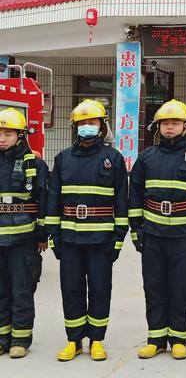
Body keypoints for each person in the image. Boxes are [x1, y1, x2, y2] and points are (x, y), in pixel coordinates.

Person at [129, 99, 186, 360]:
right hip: (153, 234)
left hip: (184, 237)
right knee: (154, 286)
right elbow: (135, 195)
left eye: (175, 123)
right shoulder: (146, 157)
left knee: (181, 288)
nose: (170, 128)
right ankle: (156, 338)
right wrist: (136, 229)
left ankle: (178, 338)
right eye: (165, 123)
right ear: (158, 127)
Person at [45, 99, 128, 362]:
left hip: (101, 239)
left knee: (101, 289)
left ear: (102, 126)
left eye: (92, 122)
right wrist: (54, 235)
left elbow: (121, 200)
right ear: (75, 127)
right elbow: (53, 198)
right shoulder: (63, 159)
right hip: (69, 239)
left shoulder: (113, 158)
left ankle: (97, 341)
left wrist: (118, 238)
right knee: (71, 289)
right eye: (82, 123)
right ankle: (74, 340)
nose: (87, 127)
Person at [0, 108, 49, 359]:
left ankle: (20, 338)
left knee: (21, 289)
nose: (2, 138)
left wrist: (42, 235)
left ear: (20, 135)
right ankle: (2, 337)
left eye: (8, 133)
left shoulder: (34, 164)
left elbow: (43, 199)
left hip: (24, 239)